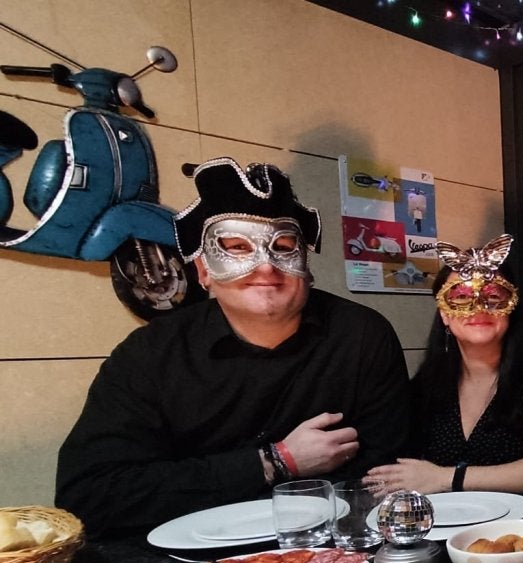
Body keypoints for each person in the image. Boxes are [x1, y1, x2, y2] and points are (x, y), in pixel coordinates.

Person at [55, 157, 411, 535]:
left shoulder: (361, 334)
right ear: (204, 271)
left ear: (306, 264)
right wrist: (276, 461)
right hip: (182, 560)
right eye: (237, 247)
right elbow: (89, 496)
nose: (266, 267)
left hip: (330, 545)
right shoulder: (150, 355)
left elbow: (385, 475)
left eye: (285, 246)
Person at [365, 236, 523, 494]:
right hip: (449, 523)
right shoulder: (426, 385)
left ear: (510, 308)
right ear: (445, 314)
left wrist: (444, 478)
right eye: (460, 297)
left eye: (493, 296)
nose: (479, 309)